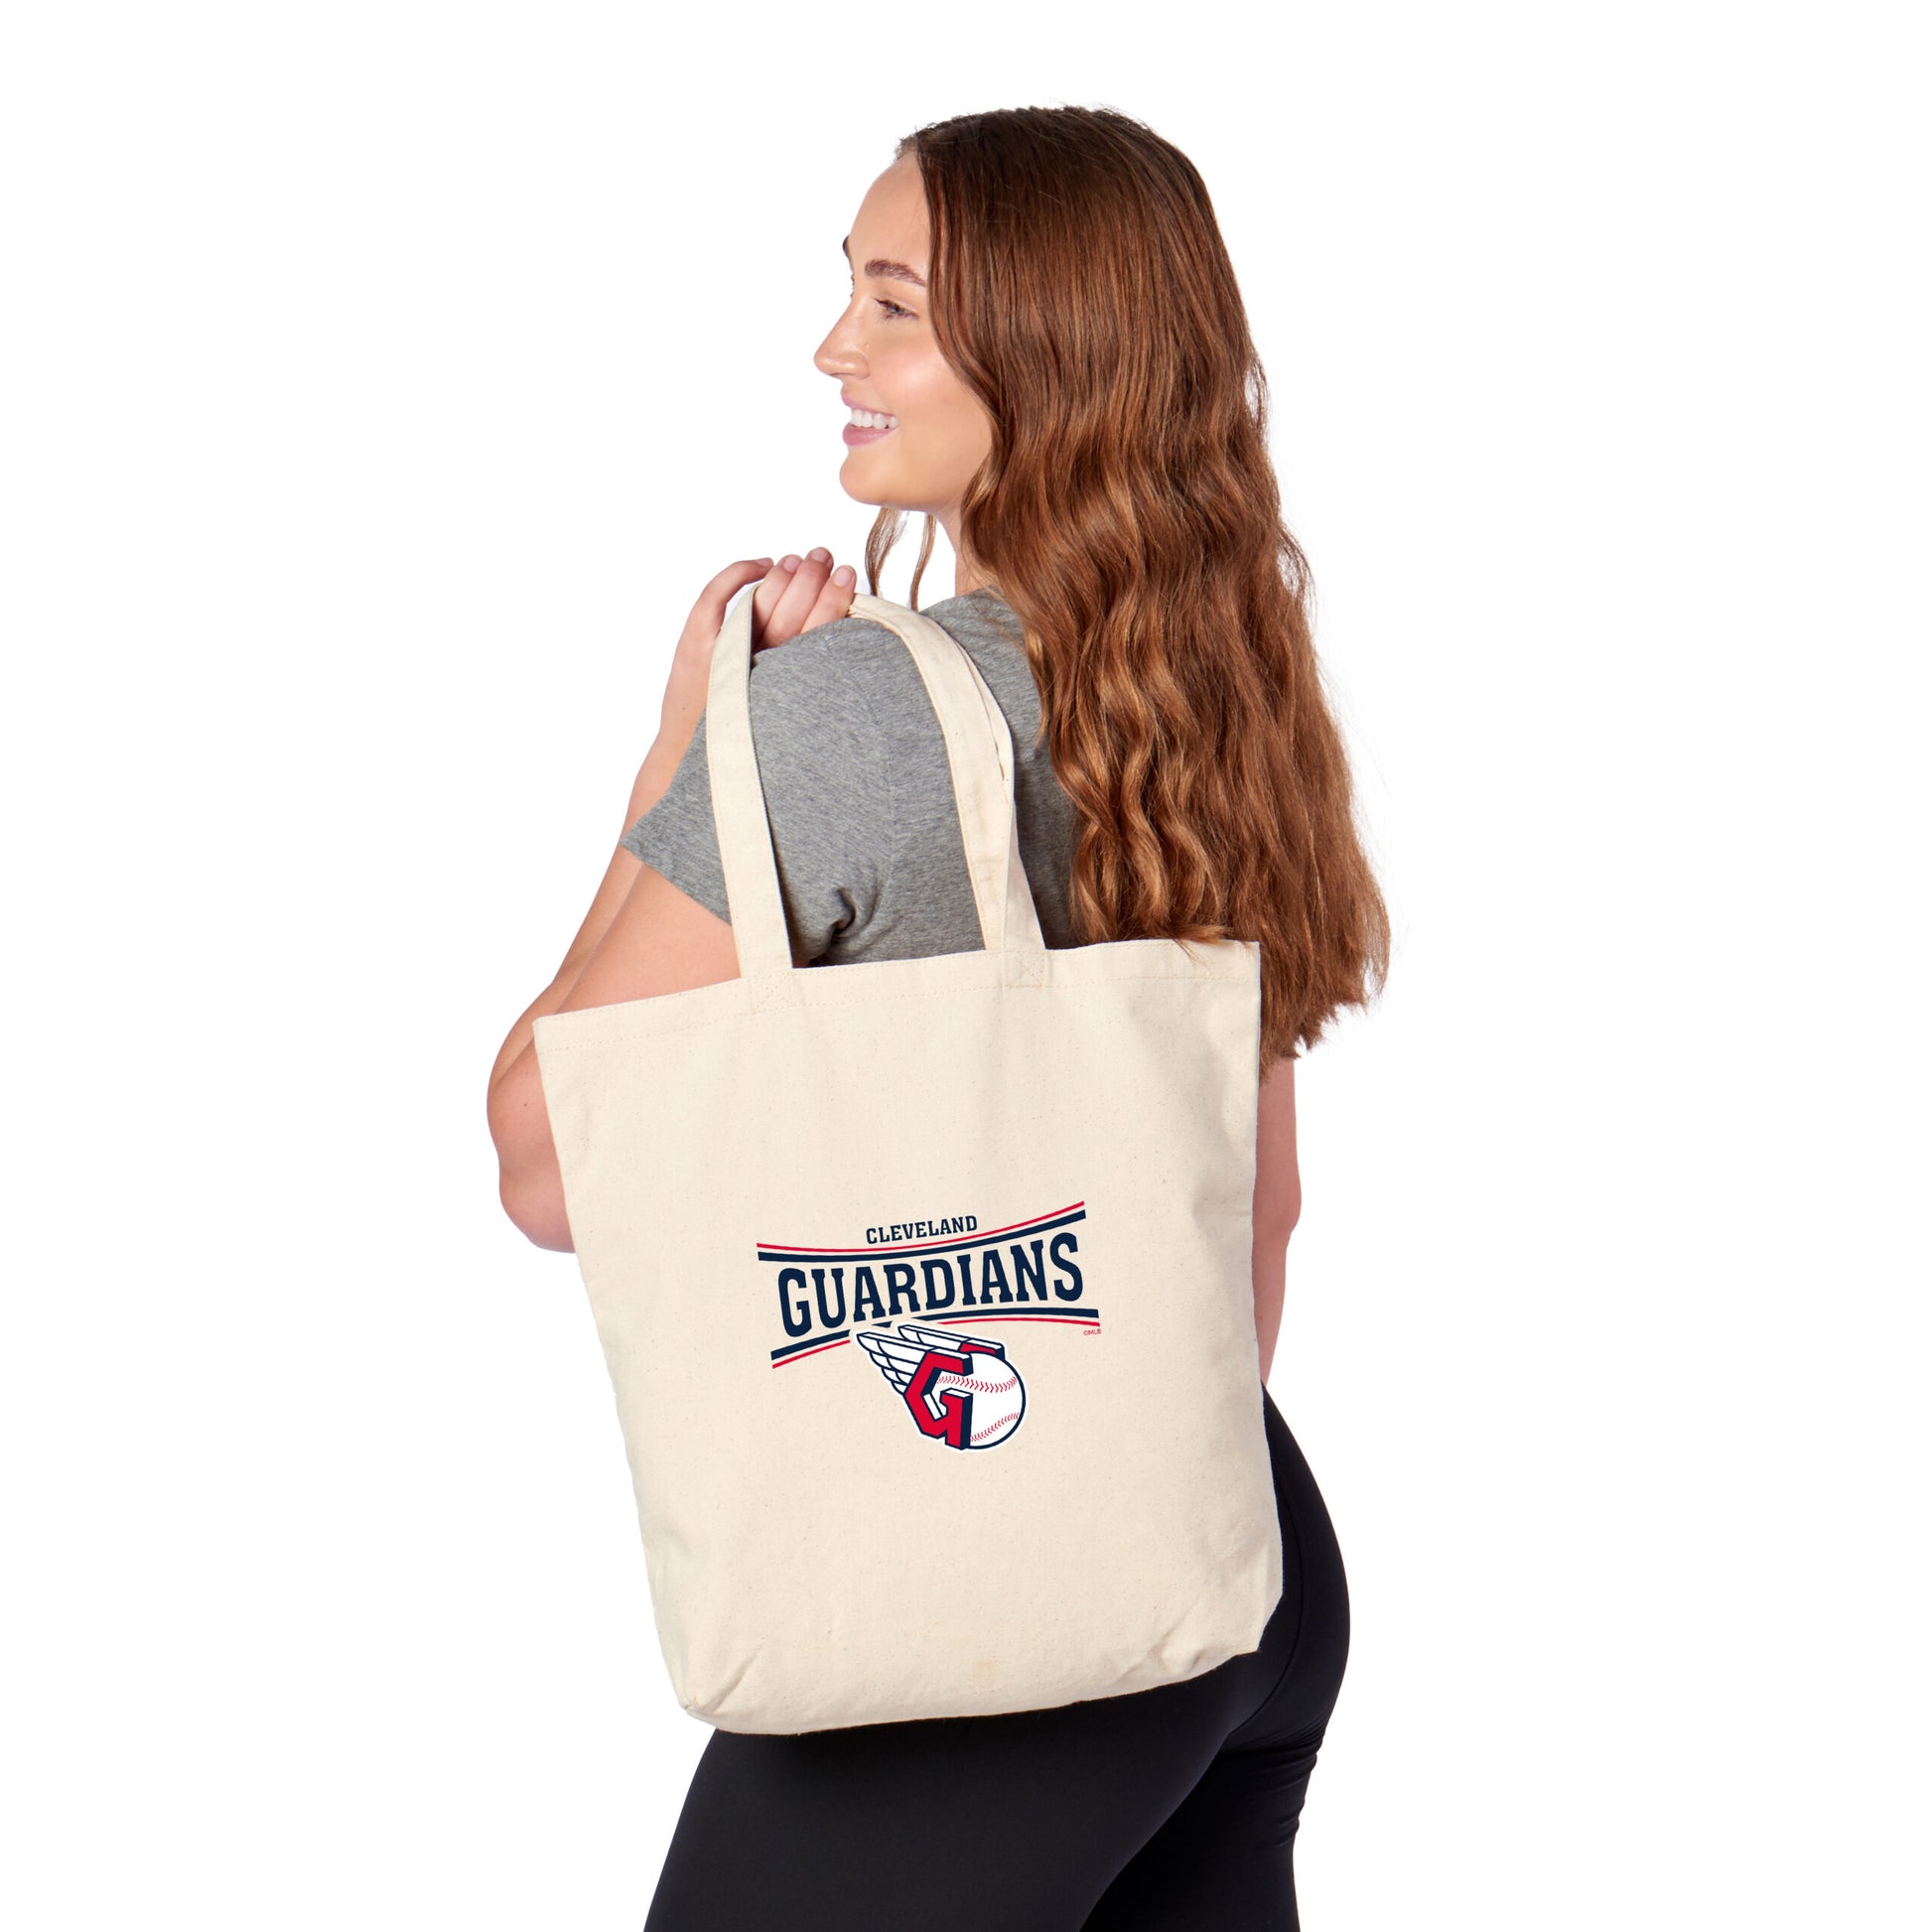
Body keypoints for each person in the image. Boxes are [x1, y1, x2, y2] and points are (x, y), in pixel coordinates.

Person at [487, 104, 1388, 1931]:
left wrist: (683, 756)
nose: (836, 347)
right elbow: (1258, 1213)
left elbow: (546, 1160)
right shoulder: (1223, 698)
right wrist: (1130, 1507)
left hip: (986, 1630)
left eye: (894, 306)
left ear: (1046, 353)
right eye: (849, 291)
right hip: (1237, 1561)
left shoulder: (845, 718)